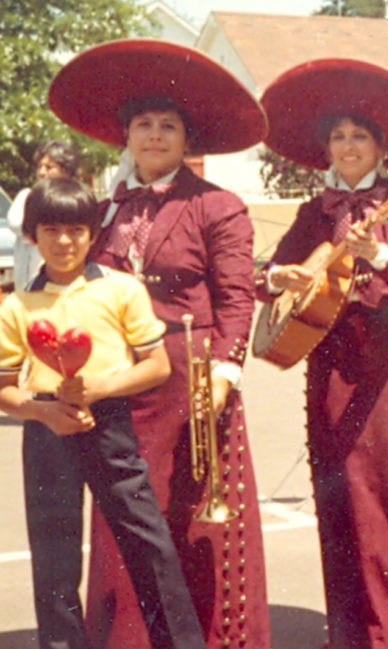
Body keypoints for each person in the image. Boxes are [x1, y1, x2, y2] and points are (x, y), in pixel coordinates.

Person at [47, 39, 270, 649]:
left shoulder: (217, 205)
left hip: (190, 382)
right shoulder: (107, 208)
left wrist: (226, 369)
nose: (154, 135)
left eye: (167, 126)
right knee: (123, 512)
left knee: (185, 513)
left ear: (185, 139)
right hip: (120, 381)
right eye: (143, 125)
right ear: (126, 137)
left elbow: (237, 297)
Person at [257, 58, 388, 649]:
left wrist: (380, 256)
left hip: (385, 361)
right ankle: (348, 628)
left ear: (380, 147)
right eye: (338, 137)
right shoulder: (314, 211)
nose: (347, 146)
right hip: (329, 359)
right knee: (337, 486)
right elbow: (270, 269)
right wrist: (280, 278)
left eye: (358, 137)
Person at [0, 177, 205, 649]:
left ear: (93, 234)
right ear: (31, 235)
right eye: (50, 230)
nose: (64, 241)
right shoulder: (18, 304)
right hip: (49, 430)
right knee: (54, 556)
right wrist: (39, 411)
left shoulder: (121, 290)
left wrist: (100, 388)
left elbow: (156, 365)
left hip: (109, 423)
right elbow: (6, 390)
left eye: (76, 230)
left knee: (148, 543)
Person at [7, 140, 81, 289]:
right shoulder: (27, 195)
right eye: (40, 167)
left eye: (49, 167)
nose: (42, 172)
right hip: (25, 277)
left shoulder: (74, 198)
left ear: (65, 170)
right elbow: (15, 223)